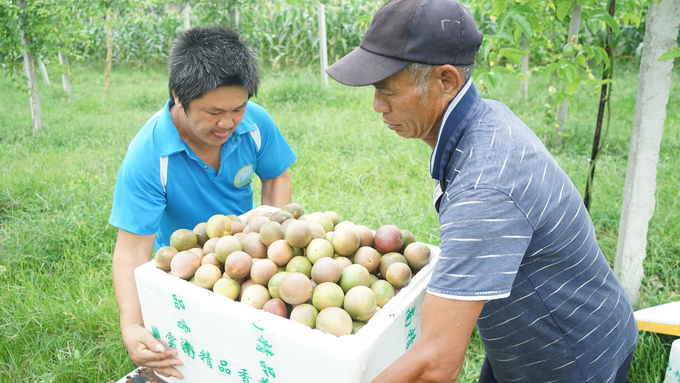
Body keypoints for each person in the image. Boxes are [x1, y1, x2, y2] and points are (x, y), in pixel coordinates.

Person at [326, 0, 638, 382]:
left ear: (446, 81)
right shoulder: (486, 117)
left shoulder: (484, 185)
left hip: (570, 358)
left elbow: (438, 363)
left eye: (388, 91)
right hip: (536, 332)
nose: (377, 106)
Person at [109, 26, 297, 379]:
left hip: (246, 255)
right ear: (177, 95)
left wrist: (274, 239)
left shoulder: (255, 124)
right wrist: (132, 324)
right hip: (185, 268)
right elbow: (132, 251)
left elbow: (276, 175)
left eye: (237, 108)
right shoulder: (150, 156)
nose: (227, 122)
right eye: (213, 112)